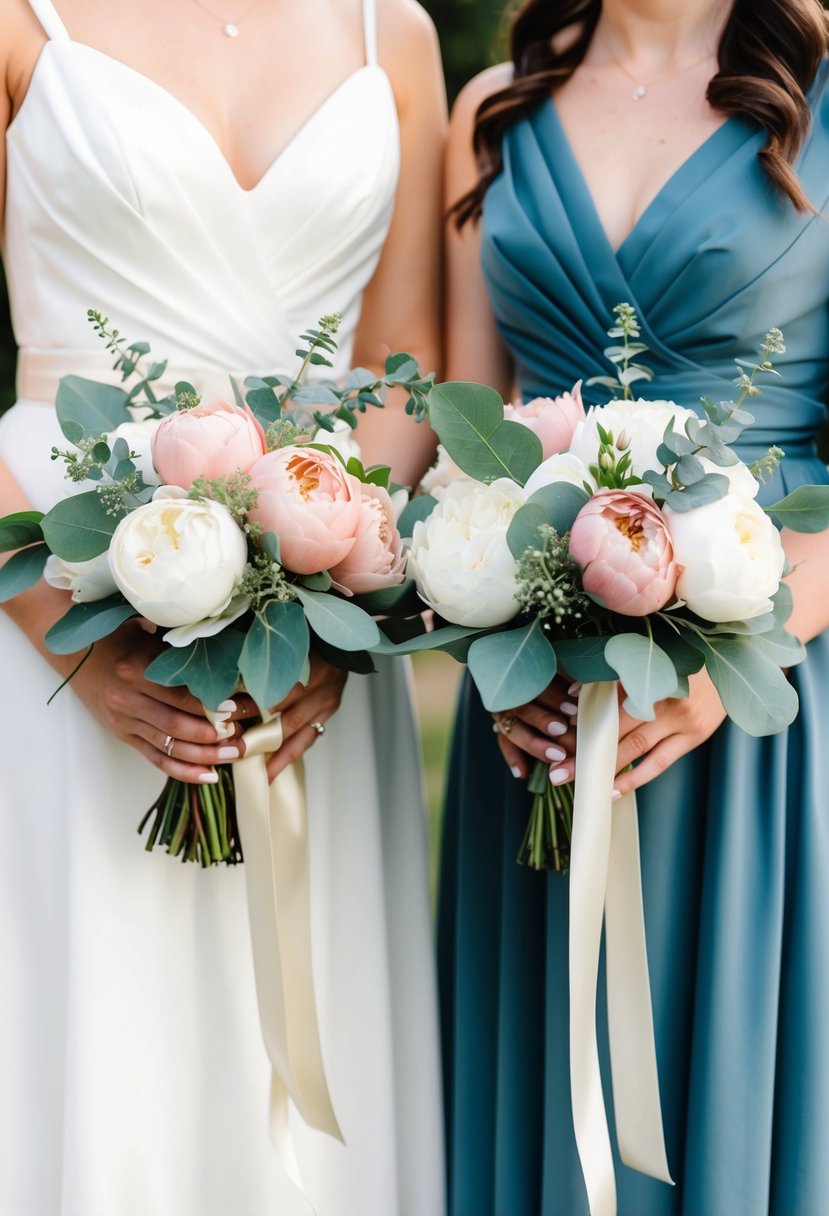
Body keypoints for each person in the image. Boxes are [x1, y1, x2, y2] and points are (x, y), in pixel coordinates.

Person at [0, 1, 446, 1213]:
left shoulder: (389, 32)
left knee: (300, 1035)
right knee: (101, 1006)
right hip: (54, 584)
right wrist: (72, 648)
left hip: (316, 622)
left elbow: (407, 355)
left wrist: (332, 582)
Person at [438, 1, 829, 1212]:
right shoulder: (494, 106)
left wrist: (724, 665)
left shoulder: (818, 90)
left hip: (763, 696)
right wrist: (491, 640)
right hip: (537, 714)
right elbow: (467, 436)